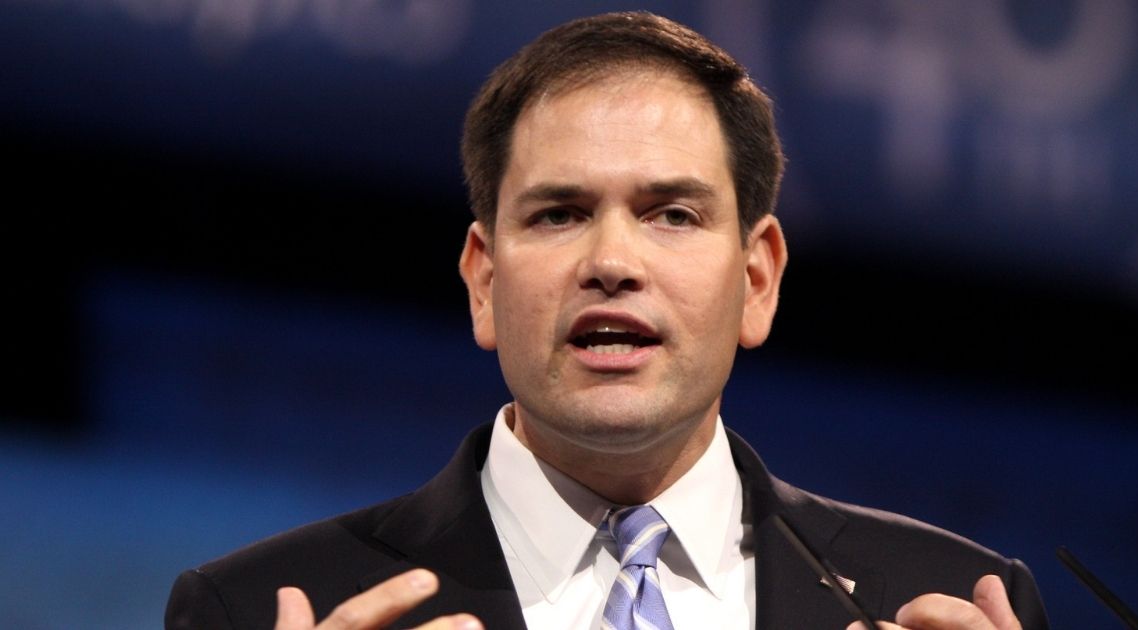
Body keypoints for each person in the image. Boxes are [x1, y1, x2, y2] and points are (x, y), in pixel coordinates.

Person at [166, 12, 1049, 630]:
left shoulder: (950, 600)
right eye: (558, 214)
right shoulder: (262, 608)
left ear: (758, 279)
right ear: (483, 280)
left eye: (672, 213)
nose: (612, 261)